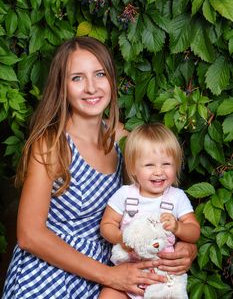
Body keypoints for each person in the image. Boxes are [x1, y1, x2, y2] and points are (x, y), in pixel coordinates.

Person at [2, 37, 197, 299]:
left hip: (109, 271)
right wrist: (110, 276)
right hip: (50, 271)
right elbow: (29, 235)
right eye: (77, 78)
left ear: (111, 80)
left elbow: (160, 199)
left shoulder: (123, 140)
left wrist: (186, 247)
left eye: (99, 74)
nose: (91, 88)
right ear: (62, 87)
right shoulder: (51, 145)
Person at [99, 123, 200, 299]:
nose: (159, 171)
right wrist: (123, 239)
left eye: (166, 164)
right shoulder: (124, 194)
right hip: (126, 274)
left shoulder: (177, 197)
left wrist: (178, 228)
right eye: (149, 165)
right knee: (108, 295)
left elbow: (194, 231)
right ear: (133, 169)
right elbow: (107, 225)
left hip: (163, 279)